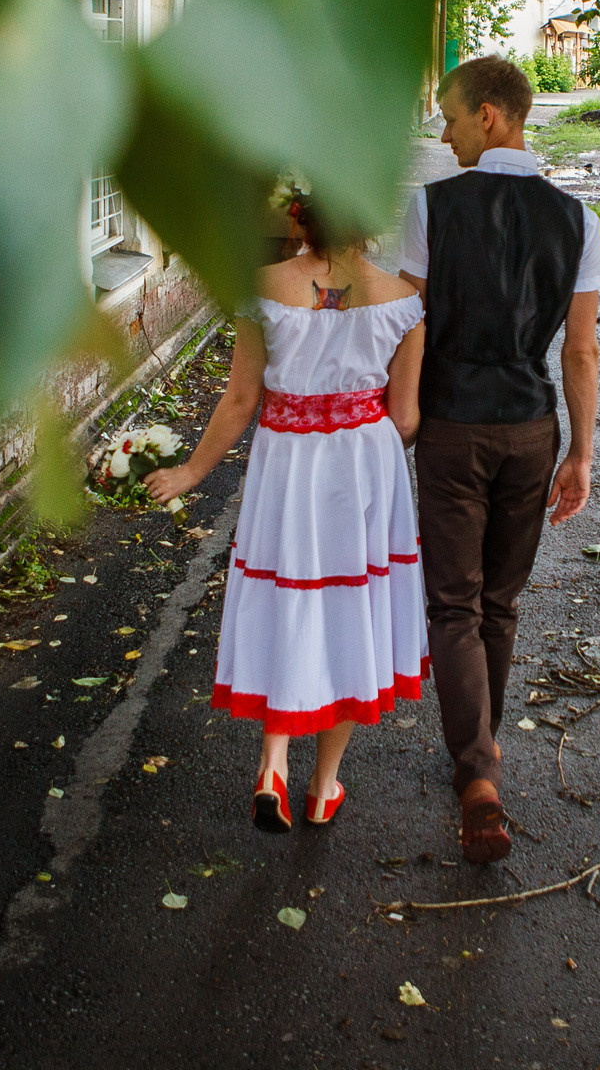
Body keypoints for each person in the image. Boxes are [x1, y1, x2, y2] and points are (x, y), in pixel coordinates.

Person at [145, 193, 428, 833]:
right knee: (353, 610)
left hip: (289, 463)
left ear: (299, 220)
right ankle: (324, 786)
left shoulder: (265, 288)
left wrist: (190, 471)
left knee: (290, 596)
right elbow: (406, 416)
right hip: (362, 466)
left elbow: (241, 397)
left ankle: (274, 762)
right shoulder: (404, 301)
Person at [399, 55, 600, 864]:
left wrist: (401, 416)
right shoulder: (576, 218)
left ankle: (476, 768)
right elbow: (580, 351)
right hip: (529, 429)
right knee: (500, 603)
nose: (442, 136)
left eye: (449, 118)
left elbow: (409, 321)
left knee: (453, 602)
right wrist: (582, 451)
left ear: (491, 116)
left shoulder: (431, 208)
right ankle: (481, 747)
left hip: (450, 423)